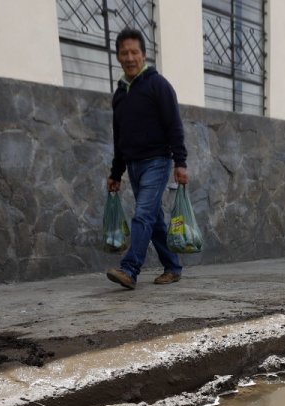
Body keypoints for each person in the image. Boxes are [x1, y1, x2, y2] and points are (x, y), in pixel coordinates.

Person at [105, 27, 188, 290]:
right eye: (124, 53)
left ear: (144, 55)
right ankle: (172, 267)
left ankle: (130, 269)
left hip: (157, 161)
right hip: (133, 165)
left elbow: (174, 125)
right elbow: (119, 137)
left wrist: (180, 162)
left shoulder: (158, 85)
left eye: (134, 52)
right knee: (154, 219)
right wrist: (116, 173)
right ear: (118, 57)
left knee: (142, 214)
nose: (130, 58)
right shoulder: (120, 95)